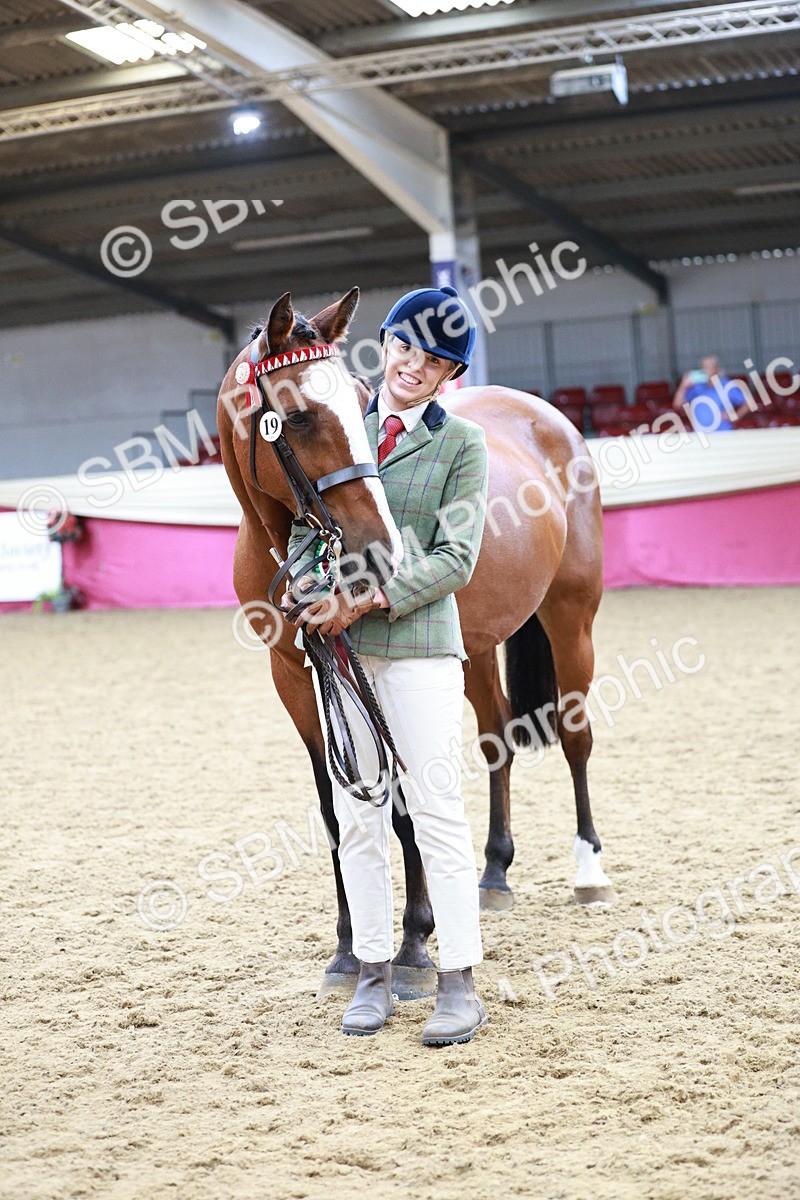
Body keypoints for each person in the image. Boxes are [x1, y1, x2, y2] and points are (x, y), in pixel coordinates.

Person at [286, 285, 490, 1045]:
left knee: (436, 813)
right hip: (344, 659)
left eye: (433, 360)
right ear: (386, 346)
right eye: (405, 347)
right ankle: (373, 972)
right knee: (358, 816)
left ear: (447, 376)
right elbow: (309, 524)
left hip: (421, 652)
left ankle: (459, 983)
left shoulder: (461, 446)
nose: (413, 365)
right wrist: (308, 580)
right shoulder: (343, 425)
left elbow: (455, 558)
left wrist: (362, 601)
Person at [672, 355, 750, 431]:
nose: (705, 371)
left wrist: (736, 416)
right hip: (702, 435)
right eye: (703, 368)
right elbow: (677, 404)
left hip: (724, 433)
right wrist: (683, 386)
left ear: (717, 369)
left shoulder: (727, 385)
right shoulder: (697, 388)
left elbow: (748, 403)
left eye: (708, 368)